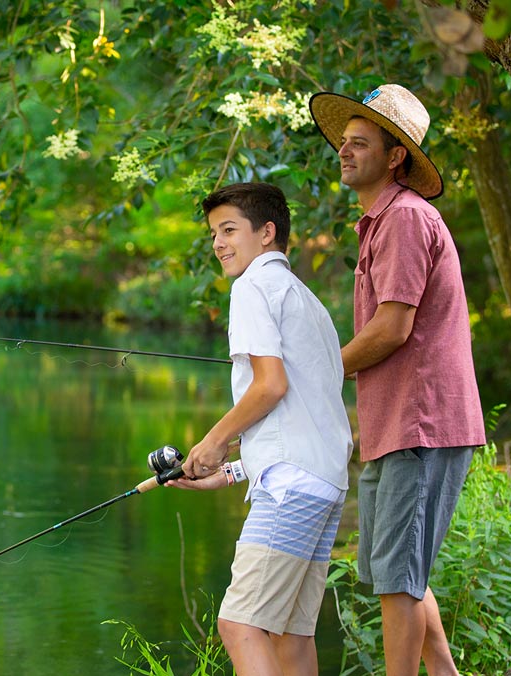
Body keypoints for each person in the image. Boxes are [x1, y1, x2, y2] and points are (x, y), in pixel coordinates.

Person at [307, 84, 486, 676]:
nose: (344, 151)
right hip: (395, 424)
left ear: (395, 157)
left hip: (422, 423)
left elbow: (392, 329)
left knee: (398, 581)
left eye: (360, 143)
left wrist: (320, 369)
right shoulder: (378, 223)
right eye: (343, 142)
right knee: (395, 573)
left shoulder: (406, 218)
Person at [167, 182, 353, 676]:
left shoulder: (251, 286)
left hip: (291, 489)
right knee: (292, 635)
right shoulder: (309, 302)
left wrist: (213, 440)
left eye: (229, 230)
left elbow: (269, 387)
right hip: (324, 485)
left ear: (267, 232)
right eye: (213, 234)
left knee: (240, 624)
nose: (218, 244)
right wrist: (229, 472)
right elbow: (300, 418)